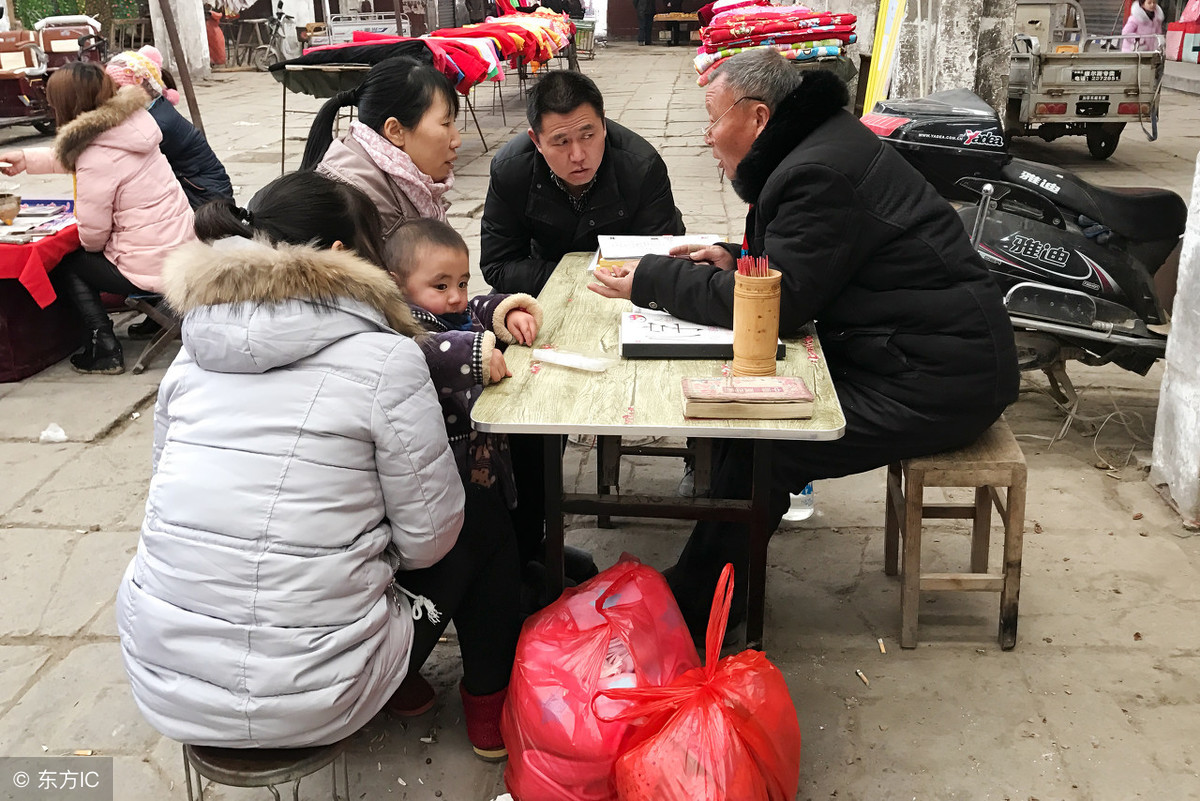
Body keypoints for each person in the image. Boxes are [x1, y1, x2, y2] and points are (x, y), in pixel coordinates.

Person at [589, 50, 1020, 639]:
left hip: (939, 377)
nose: (707, 135)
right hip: (906, 348)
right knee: (746, 423)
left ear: (759, 117)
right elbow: (805, 267)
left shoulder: (816, 171)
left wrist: (652, 279)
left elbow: (782, 306)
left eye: (713, 118)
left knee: (772, 441)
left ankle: (699, 607)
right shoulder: (816, 147)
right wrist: (736, 261)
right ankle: (709, 588)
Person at [115, 171, 522, 761]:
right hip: (319, 693)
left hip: (164, 682)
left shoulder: (191, 355)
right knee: (475, 511)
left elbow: (169, 494)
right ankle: (489, 710)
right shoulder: (387, 358)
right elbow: (429, 542)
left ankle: (403, 687)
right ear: (338, 255)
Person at [0, 62, 195, 374]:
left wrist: (84, 242)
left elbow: (93, 233)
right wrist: (26, 160)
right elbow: (87, 155)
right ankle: (157, 314)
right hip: (179, 250)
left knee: (69, 260)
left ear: (67, 104)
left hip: (150, 263)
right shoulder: (130, 125)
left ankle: (103, 346)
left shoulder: (97, 153)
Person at [480, 69, 684, 297]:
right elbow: (498, 264)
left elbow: (659, 261)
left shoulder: (642, 166)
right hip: (546, 282)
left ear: (603, 124)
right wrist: (578, 277)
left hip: (623, 287)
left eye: (588, 136)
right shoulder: (511, 170)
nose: (577, 155)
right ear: (536, 140)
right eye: (562, 142)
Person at [301, 56, 462, 248]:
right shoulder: (364, 205)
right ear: (395, 131)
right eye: (445, 124)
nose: (456, 140)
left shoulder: (408, 187)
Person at [105, 46, 234, 210]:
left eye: (116, 88)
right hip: (203, 188)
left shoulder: (156, 123)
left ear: (137, 88)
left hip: (205, 196)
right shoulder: (153, 107)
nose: (110, 95)